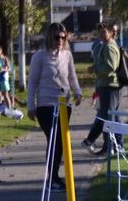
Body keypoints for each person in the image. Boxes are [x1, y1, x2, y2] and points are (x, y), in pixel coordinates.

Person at [28, 23, 83, 190]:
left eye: (63, 37)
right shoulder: (39, 56)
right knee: (54, 141)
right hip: (46, 106)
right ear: (49, 37)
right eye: (57, 37)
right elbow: (32, 83)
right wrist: (31, 105)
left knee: (62, 142)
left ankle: (57, 177)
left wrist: (77, 92)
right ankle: (52, 178)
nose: (60, 40)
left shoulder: (67, 55)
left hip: (64, 105)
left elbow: (72, 76)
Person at [81, 23, 120, 155]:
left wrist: (96, 69)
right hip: (103, 85)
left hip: (110, 86)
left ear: (110, 32)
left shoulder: (110, 47)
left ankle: (106, 145)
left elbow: (110, 67)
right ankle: (112, 146)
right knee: (109, 116)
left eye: (104, 32)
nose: (102, 35)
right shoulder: (103, 45)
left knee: (106, 117)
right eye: (100, 32)